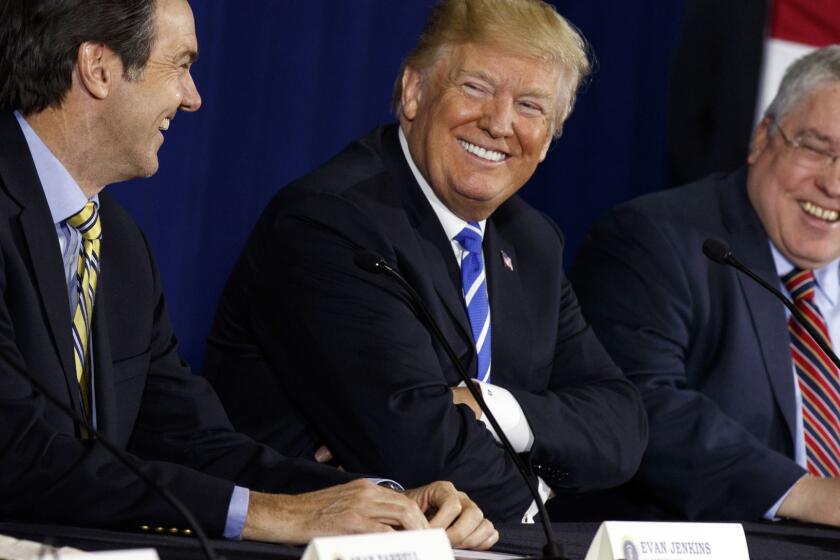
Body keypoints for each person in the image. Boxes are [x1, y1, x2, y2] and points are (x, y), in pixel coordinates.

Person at [0, 0, 497, 549]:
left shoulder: (118, 244)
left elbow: (191, 440)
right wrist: (270, 516)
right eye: (181, 65)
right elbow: (15, 454)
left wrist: (380, 499)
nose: (192, 98)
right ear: (99, 68)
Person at [204, 0, 648, 524]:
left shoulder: (532, 243)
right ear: (414, 92)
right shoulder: (333, 222)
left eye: (531, 106)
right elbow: (418, 447)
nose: (499, 123)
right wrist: (542, 491)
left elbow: (623, 427)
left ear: (550, 138)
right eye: (476, 88)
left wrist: (498, 409)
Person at [570, 45, 840, 526]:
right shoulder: (656, 240)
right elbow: (638, 404)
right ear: (762, 139)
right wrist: (810, 496)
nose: (834, 185)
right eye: (817, 148)